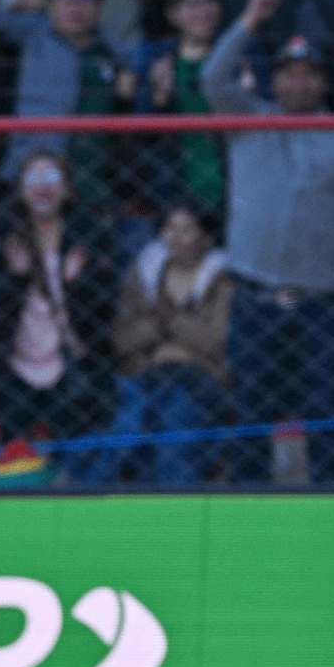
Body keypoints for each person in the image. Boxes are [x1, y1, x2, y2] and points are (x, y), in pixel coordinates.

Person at [201, 0, 334, 481]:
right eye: (288, 74)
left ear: (323, 83)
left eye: (308, 75)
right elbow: (212, 77)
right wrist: (248, 23)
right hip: (255, 294)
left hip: (320, 297)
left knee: (325, 404)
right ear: (274, 81)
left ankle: (330, 497)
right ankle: (249, 498)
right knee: (253, 404)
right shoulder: (247, 121)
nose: (298, 83)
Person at [0, 151, 117, 452]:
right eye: (34, 177)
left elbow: (105, 310)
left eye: (52, 177)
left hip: (71, 362)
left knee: (74, 448)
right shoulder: (1, 235)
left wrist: (78, 284)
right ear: (20, 189)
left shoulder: (89, 236)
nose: (43, 185)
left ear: (67, 189)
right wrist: (16, 277)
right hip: (15, 365)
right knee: (16, 455)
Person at [89, 201, 234, 483]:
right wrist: (173, 328)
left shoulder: (222, 278)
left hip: (200, 377)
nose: (175, 237)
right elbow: (122, 339)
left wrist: (166, 320)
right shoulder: (143, 271)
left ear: (207, 237)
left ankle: (173, 502)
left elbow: (217, 341)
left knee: (173, 414)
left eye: (187, 229)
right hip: (147, 373)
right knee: (134, 420)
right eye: (169, 228)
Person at [0, 0, 135, 206]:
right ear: (49, 4)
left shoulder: (114, 49)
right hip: (34, 170)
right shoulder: (33, 33)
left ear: (100, 5)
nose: (76, 8)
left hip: (94, 178)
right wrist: (17, 1)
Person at [132, 0, 225, 210]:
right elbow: (140, 129)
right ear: (172, 15)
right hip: (175, 181)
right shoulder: (156, 57)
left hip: (234, 175)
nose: (202, 12)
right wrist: (159, 98)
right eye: (192, 4)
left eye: (208, 3)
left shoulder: (239, 53)